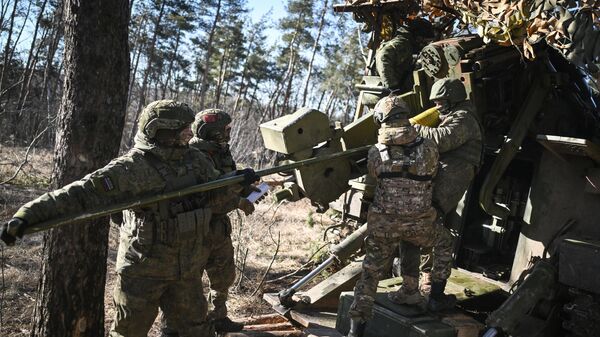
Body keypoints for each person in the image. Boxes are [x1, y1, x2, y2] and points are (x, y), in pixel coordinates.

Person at [1, 100, 259, 337]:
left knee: (194, 332)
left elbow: (218, 202)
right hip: (142, 271)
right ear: (162, 131)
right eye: (183, 129)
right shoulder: (131, 168)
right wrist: (27, 215)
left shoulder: (196, 161)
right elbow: (77, 195)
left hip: (187, 271)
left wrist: (236, 185)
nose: (190, 134)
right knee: (129, 332)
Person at [346, 95, 455, 337]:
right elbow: (436, 173)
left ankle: (356, 330)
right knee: (445, 241)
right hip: (420, 226)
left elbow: (374, 178)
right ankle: (436, 296)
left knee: (370, 274)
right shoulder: (428, 147)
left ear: (381, 120)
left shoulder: (376, 151)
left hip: (384, 227)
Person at [160, 108, 250, 336]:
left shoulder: (221, 151)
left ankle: (217, 317)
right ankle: (172, 327)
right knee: (187, 281)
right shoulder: (194, 155)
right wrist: (239, 201)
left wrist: (247, 187)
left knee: (223, 275)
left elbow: (225, 183)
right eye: (226, 129)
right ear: (214, 131)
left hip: (217, 228)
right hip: (197, 228)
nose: (229, 132)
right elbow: (209, 198)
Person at [401, 78, 483, 297]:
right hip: (444, 171)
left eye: (441, 102)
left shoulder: (464, 118)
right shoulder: (453, 115)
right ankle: (424, 281)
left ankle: (429, 283)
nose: (437, 106)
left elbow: (441, 140)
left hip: (453, 175)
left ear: (453, 99)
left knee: (427, 222)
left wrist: (413, 127)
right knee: (426, 224)